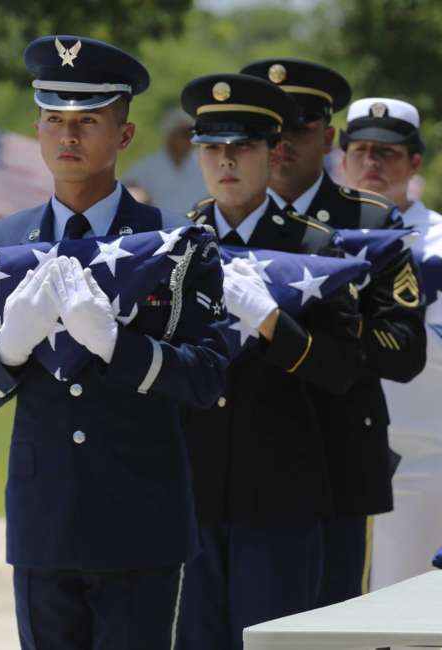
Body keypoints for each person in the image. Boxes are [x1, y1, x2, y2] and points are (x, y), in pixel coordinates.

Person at [0, 36, 231, 650]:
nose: (68, 137)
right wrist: (9, 348)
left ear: (125, 137)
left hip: (140, 520)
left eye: (88, 122)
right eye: (54, 120)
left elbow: (208, 377)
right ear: (37, 130)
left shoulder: (176, 242)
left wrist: (116, 345)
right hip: (44, 520)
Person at [175, 73, 364, 650]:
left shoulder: (316, 247)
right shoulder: (170, 245)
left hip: (280, 494)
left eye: (242, 146)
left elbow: (341, 370)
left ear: (273, 153)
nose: (225, 161)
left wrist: (274, 325)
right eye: (212, 148)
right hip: (188, 495)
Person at [241, 59, 427, 605]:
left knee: (331, 621)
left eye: (296, 128)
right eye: (266, 131)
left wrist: (327, 336)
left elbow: (405, 348)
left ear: (326, 137)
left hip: (333, 454)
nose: (281, 143)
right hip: (240, 459)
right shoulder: (221, 218)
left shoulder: (371, 222)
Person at [336, 97, 442, 588]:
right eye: (361, 150)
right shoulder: (317, 239)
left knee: (403, 609)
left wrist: (402, 331)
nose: (372, 163)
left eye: (387, 153)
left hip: (418, 455)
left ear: (413, 163)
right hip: (329, 451)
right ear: (342, 158)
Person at [123, 107, 206, 215]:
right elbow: (130, 189)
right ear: (170, 136)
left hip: (199, 226)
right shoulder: (148, 165)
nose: (189, 139)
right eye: (183, 134)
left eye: (191, 134)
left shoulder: (205, 162)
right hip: (161, 227)